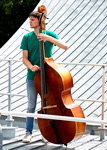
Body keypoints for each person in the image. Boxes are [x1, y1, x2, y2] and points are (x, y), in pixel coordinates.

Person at [20, 11, 68, 143]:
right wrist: (31, 67)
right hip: (32, 76)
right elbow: (24, 59)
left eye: (32, 20)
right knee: (31, 105)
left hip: (49, 76)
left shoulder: (49, 35)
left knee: (49, 104)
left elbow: (65, 46)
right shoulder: (27, 37)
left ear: (40, 21)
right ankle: (28, 132)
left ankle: (47, 133)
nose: (29, 22)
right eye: (29, 19)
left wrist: (48, 39)